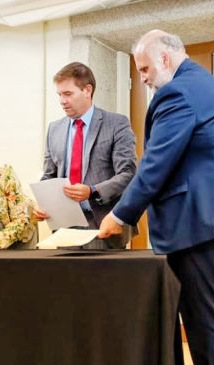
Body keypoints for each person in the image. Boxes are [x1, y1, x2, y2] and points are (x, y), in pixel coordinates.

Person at [99, 30, 214, 365]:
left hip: (197, 226)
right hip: (208, 223)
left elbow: (156, 164)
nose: (143, 78)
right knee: (209, 320)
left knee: (206, 322)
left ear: (165, 59)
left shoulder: (178, 93)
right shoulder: (204, 84)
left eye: (145, 68)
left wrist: (120, 215)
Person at [34, 61, 137, 249]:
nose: (62, 100)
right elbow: (48, 176)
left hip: (103, 224)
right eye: (59, 94)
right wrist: (43, 204)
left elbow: (128, 174)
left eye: (68, 94)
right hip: (64, 226)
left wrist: (92, 191)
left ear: (87, 90)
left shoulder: (117, 124)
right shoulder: (54, 129)